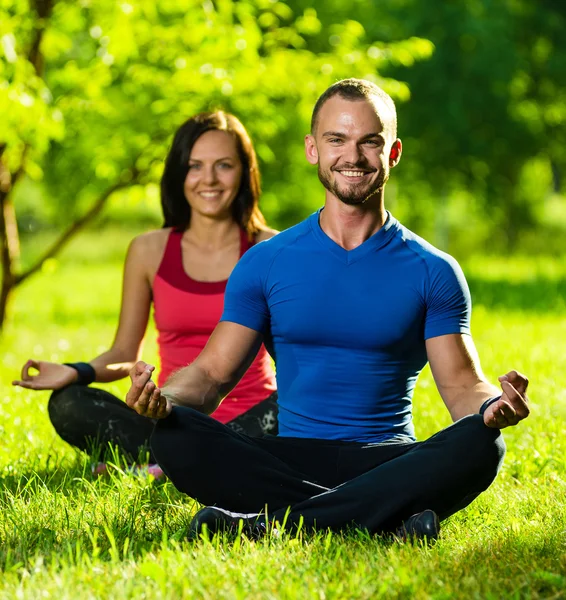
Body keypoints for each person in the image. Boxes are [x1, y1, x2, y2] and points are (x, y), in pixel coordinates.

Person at [124, 79, 530, 540]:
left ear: (393, 153)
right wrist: (167, 400)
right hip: (290, 455)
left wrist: (492, 406)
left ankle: (266, 526)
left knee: (482, 443)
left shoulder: (433, 270)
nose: (352, 157)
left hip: (387, 458)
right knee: (176, 436)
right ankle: (384, 522)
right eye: (336, 140)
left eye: (369, 142)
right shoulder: (265, 262)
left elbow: (460, 386)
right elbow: (213, 376)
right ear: (312, 149)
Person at [12, 111, 278, 468]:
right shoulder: (148, 250)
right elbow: (123, 351)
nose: (209, 179)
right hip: (172, 416)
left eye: (224, 165)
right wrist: (77, 372)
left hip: (254, 423)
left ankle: (157, 465)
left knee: (297, 403)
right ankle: (177, 462)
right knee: (68, 402)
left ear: (245, 172)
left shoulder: (271, 249)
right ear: (178, 174)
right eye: (195, 165)